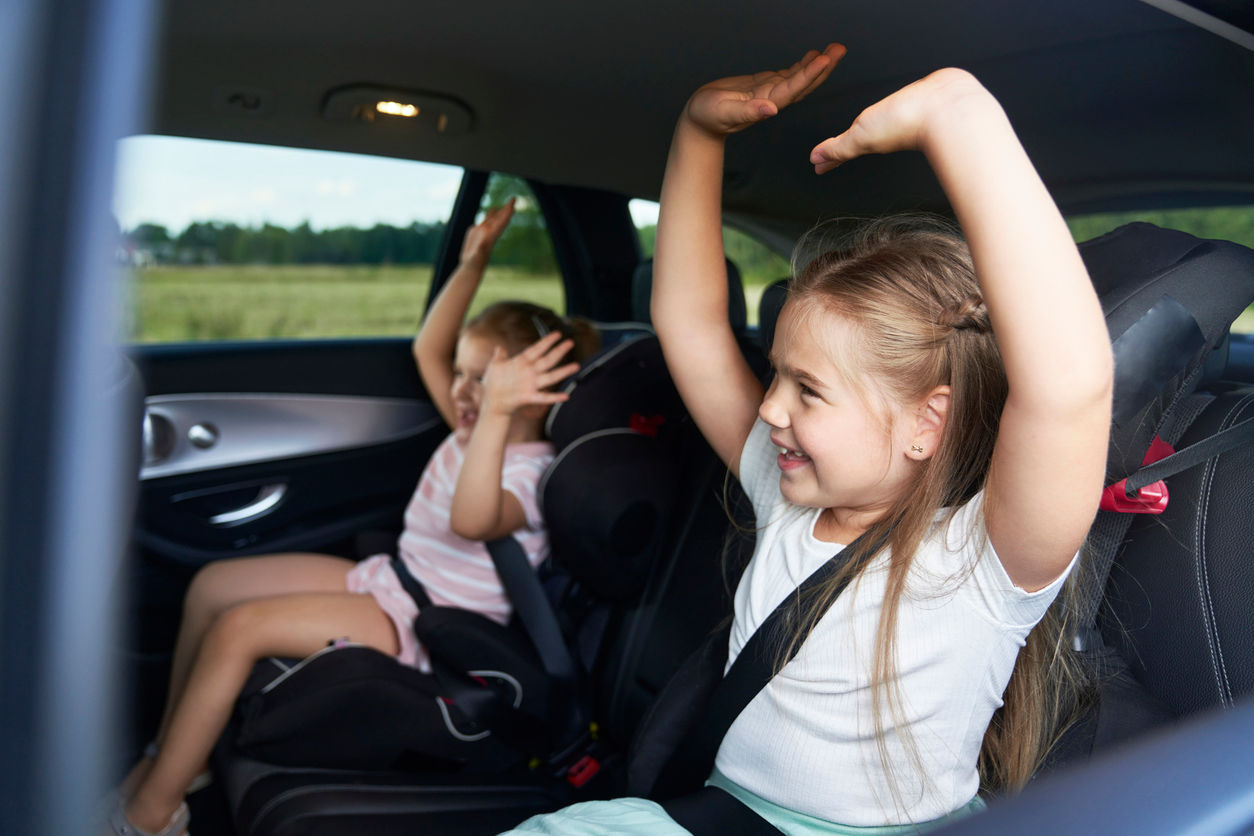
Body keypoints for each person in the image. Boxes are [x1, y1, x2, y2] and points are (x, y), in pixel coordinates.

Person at [504, 43, 1111, 834]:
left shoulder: (981, 566)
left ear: (929, 422)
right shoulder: (788, 494)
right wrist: (696, 134)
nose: (768, 410)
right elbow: (688, 323)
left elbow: (1069, 387)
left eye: (808, 391)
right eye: (776, 377)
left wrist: (958, 115)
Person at [109, 200, 598, 836]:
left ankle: (150, 816)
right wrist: (473, 261)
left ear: (535, 396)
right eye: (461, 375)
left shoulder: (527, 472)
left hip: (429, 627)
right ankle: (173, 757)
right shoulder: (475, 428)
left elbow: (475, 519)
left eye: (483, 382)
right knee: (212, 586)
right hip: (392, 578)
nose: (461, 393)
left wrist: (498, 415)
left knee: (238, 629)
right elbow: (427, 346)